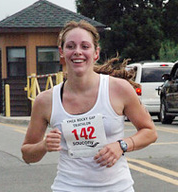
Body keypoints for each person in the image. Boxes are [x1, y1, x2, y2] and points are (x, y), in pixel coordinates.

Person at [21, 20, 157, 192]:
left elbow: (150, 131)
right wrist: (44, 145)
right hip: (68, 188)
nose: (78, 52)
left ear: (96, 53)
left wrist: (122, 145)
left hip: (117, 188)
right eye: (71, 46)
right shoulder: (45, 100)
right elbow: (27, 154)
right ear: (62, 52)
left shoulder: (118, 89)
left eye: (85, 46)